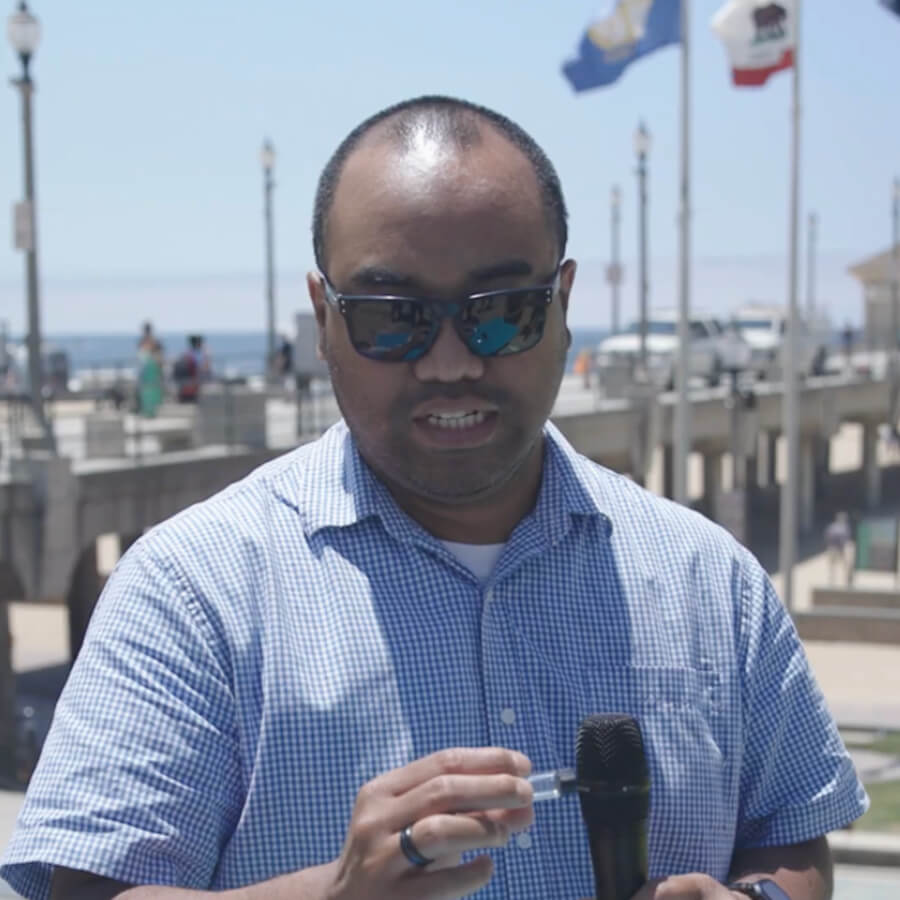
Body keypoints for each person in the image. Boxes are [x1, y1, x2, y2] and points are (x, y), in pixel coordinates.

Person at [1, 96, 866, 900]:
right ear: (324, 318)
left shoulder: (710, 578)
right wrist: (333, 892)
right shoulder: (191, 591)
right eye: (392, 316)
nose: (451, 362)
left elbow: (790, 831)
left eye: (504, 312)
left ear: (563, 304)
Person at [173, 334, 210, 403]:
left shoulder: (186, 353)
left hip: (186, 378)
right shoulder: (199, 353)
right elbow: (204, 367)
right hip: (194, 377)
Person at [824, 511, 853, 586]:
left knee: (834, 566)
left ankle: (834, 581)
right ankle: (845, 581)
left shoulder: (832, 527)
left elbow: (827, 537)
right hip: (839, 548)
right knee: (843, 565)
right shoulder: (844, 528)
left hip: (834, 548)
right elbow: (847, 538)